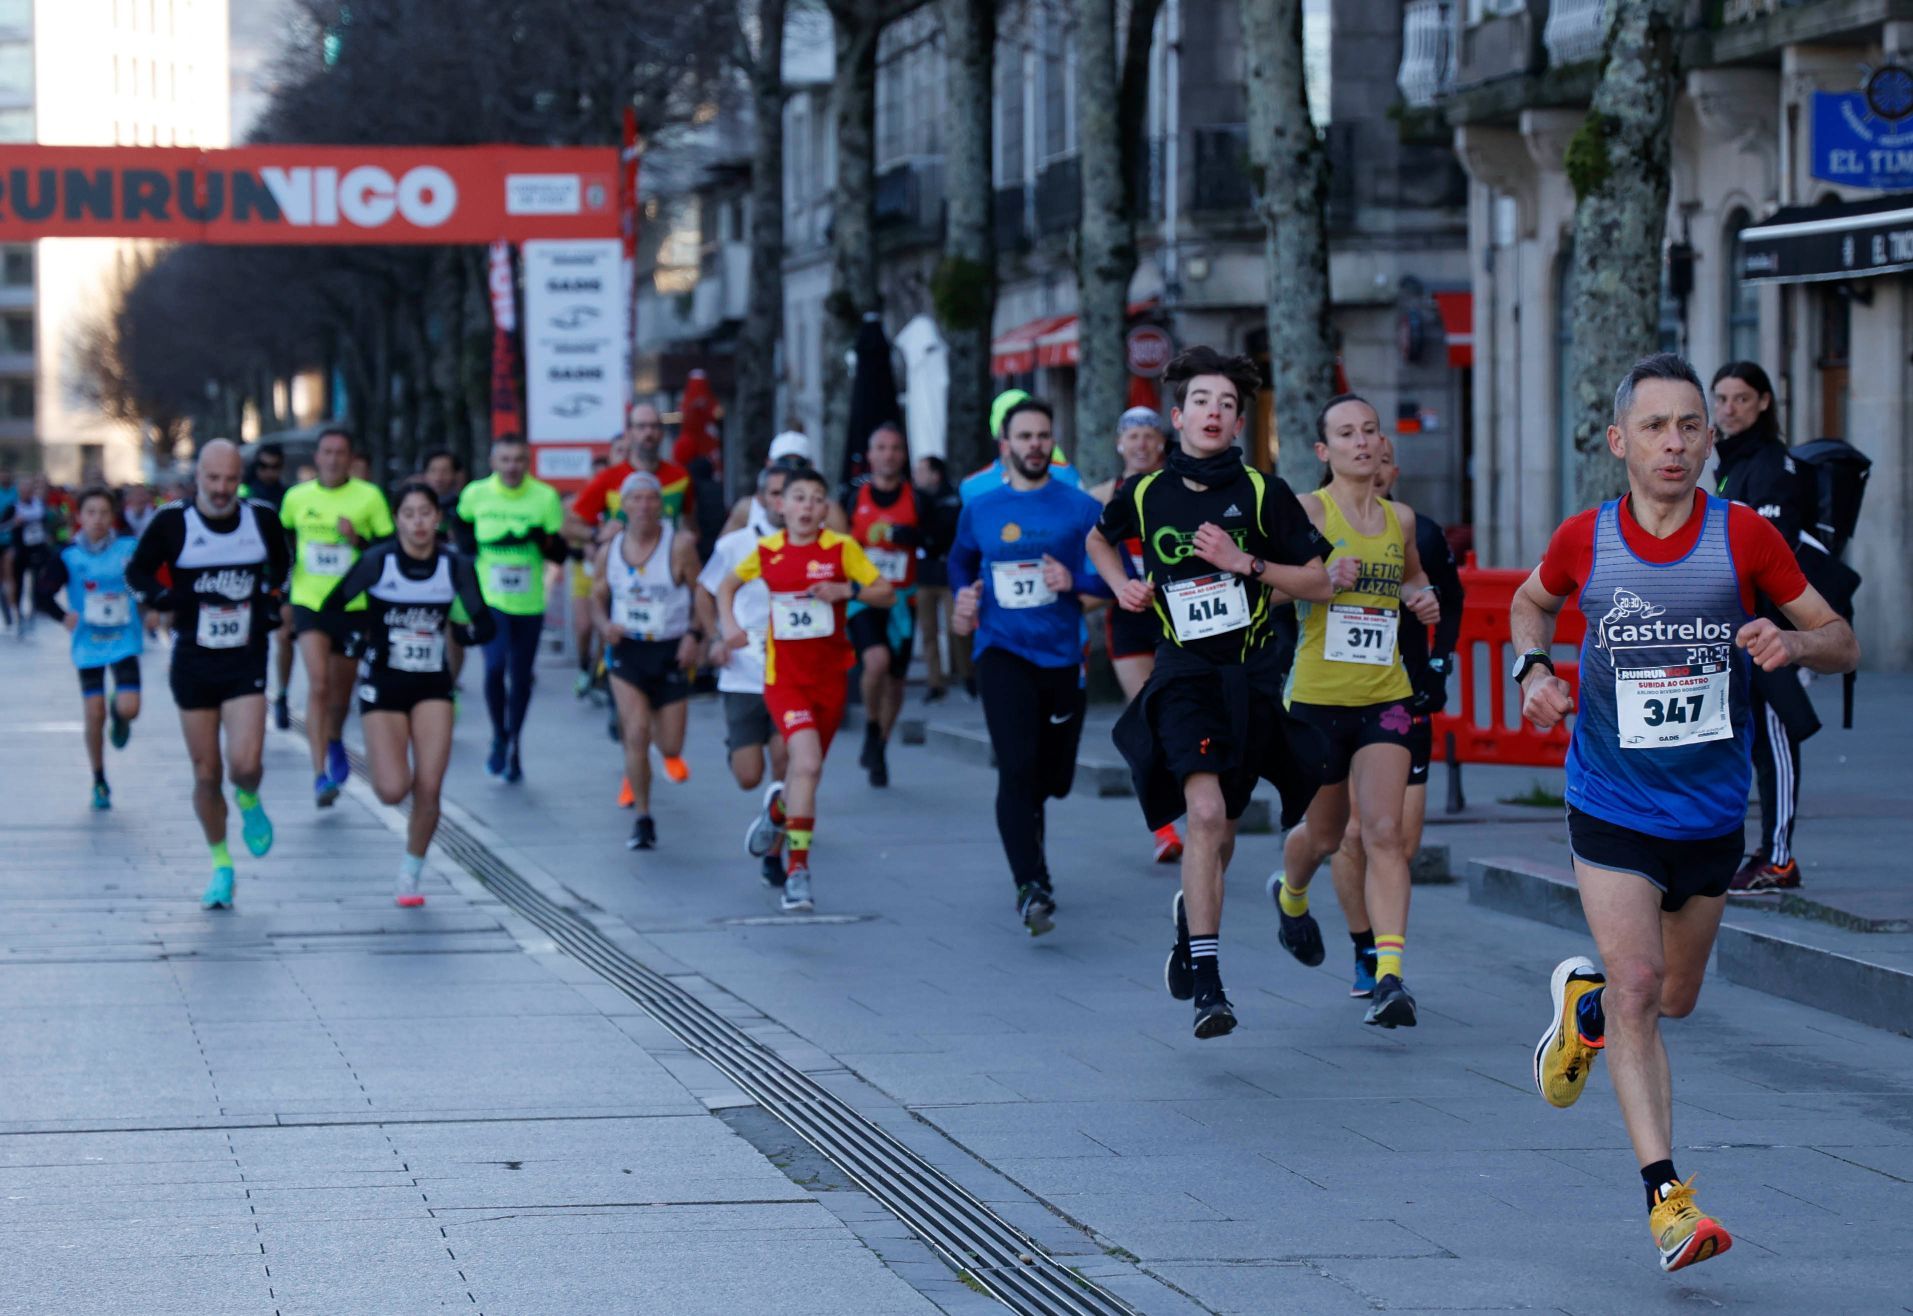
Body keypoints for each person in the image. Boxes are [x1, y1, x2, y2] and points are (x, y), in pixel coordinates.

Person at [1515, 353, 1857, 1273]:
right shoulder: (1585, 538)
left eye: (1690, 426)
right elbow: (1528, 603)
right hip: (1610, 799)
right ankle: (1669, 1200)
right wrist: (1532, 670)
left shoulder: (1743, 536)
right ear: (1620, 440)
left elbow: (1841, 636)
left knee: (1671, 997)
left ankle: (1578, 1005)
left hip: (1709, 810)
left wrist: (1790, 638)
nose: (1674, 443)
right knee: (1637, 987)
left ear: (1711, 439)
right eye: (1656, 427)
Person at [1086, 347, 1333, 1039]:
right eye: (1201, 402)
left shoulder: (1263, 493)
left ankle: (1188, 919)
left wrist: (1243, 562)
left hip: (1250, 677)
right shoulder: (1142, 492)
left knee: (1220, 831)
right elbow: (1098, 541)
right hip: (1182, 673)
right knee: (1200, 815)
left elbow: (1319, 581)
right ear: (1177, 417)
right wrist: (1119, 585)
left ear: (1239, 419)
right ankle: (1208, 984)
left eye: (1227, 404)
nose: (1214, 413)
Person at [1271, 396, 1443, 1029]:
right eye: (1346, 433)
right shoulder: (1309, 511)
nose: (1362, 442)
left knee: (1383, 835)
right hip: (1317, 699)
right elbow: (1267, 579)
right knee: (1321, 837)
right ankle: (1290, 898)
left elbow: (1412, 577)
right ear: (1325, 451)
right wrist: (1320, 578)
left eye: (1369, 430)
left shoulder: (1401, 518)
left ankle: (1390, 977)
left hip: (1385, 698)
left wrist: (1419, 600)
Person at [947, 397, 1106, 936]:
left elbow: (1119, 577)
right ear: (1006, 446)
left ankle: (1031, 845)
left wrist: (1076, 582)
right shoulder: (982, 507)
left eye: (1043, 436)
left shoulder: (1080, 507)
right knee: (1015, 769)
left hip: (1062, 657)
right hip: (1001, 651)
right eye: (1025, 437)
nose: (1035, 445)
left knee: (1053, 779)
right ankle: (1030, 883)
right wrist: (962, 597)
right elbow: (959, 559)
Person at [717, 468, 895, 913]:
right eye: (798, 498)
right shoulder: (767, 551)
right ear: (781, 505)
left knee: (804, 774)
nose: (807, 507)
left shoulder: (841, 548)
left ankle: (777, 814)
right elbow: (726, 586)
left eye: (817, 499)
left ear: (825, 509)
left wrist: (845, 589)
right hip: (785, 682)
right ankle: (798, 871)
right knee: (808, 767)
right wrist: (730, 626)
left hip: (831, 680)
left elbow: (886, 592)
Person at [1326, 437, 1463, 998]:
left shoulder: (1417, 532)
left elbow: (1449, 599)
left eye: (1383, 460)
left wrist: (1436, 664)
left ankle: (1378, 942)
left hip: (1405, 692)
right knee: (1356, 832)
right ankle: (1369, 951)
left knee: (1399, 845)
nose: (1374, 469)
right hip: (1341, 695)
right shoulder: (1319, 524)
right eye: (1364, 456)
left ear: (1395, 470)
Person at [126, 440, 288, 910]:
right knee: (206, 772)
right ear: (198, 476)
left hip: (244, 660)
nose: (221, 490)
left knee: (245, 765)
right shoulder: (173, 523)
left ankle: (250, 799)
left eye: (230, 480)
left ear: (242, 478)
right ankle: (221, 865)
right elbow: (136, 573)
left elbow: (284, 566)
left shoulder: (261, 519)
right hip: (194, 661)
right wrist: (165, 601)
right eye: (212, 479)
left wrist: (273, 602)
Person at [318, 482, 494, 907]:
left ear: (437, 519)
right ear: (397, 520)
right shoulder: (378, 562)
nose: (418, 522)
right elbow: (330, 608)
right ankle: (393, 784)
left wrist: (460, 633)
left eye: (425, 513)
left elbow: (484, 625)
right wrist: (360, 644)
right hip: (384, 684)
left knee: (430, 787)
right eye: (409, 514)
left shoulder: (454, 567)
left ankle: (410, 875)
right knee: (393, 790)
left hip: (433, 685)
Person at [1709, 362, 1819, 895]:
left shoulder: (1773, 465)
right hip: (1739, 631)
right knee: (1754, 745)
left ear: (1765, 403)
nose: (1729, 409)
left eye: (1741, 399)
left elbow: (1772, 557)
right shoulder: (1733, 464)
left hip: (1770, 631)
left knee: (1775, 742)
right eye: (1722, 398)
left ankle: (1779, 859)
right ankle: (1760, 851)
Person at [1088, 405, 1185, 866]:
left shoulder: (1180, 489)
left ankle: (1192, 800)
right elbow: (1082, 560)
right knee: (1147, 715)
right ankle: (1163, 829)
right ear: (1119, 443)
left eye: (1151, 435)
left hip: (1181, 615)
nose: (1142, 444)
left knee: (1177, 714)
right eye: (1134, 437)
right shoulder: (1100, 497)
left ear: (1162, 443)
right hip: (1129, 618)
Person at [280, 427, 394, 807]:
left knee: (341, 694)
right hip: (310, 601)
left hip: (353, 606)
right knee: (318, 685)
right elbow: (284, 548)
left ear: (350, 459)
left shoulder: (369, 497)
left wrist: (357, 541)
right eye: (326, 452)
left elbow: (387, 550)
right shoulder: (296, 498)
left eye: (340, 453)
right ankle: (318, 775)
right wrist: (279, 594)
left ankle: (333, 738)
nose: (332, 459)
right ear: (317, 457)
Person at [592, 471, 701, 850]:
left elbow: (700, 595)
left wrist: (695, 635)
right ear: (623, 506)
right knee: (635, 733)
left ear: (661, 505)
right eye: (635, 499)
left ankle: (655, 751)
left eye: (650, 498)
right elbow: (597, 597)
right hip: (629, 651)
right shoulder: (611, 551)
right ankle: (643, 817)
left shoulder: (680, 546)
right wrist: (605, 624)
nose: (643, 506)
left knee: (670, 745)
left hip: (670, 650)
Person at [697, 464, 793, 888]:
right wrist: (718, 634)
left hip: (791, 675)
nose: (780, 502)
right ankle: (737, 748)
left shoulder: (814, 546)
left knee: (786, 764)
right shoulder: (736, 545)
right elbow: (705, 589)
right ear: (761, 499)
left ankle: (775, 852)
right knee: (749, 776)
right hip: (743, 673)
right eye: (773, 493)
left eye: (786, 494)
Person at [455, 433, 568, 783]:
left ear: (527, 462)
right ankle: (498, 736)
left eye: (519, 459)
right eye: (505, 460)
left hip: (530, 602)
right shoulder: (476, 494)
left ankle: (514, 740)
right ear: (493, 463)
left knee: (520, 677)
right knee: (494, 667)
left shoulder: (544, 497)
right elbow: (460, 530)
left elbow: (558, 552)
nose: (512, 467)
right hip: (492, 600)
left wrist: (541, 540)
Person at [37, 486, 143, 810]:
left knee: (129, 708)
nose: (97, 520)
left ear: (113, 517)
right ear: (79, 517)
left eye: (104, 513)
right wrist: (62, 616)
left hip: (124, 639)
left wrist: (155, 610)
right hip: (89, 644)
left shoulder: (129, 548)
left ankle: (119, 715)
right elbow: (42, 593)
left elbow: (150, 580)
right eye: (91, 513)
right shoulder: (68, 555)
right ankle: (99, 779)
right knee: (92, 714)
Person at [829, 423, 922, 787]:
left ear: (903, 455)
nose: (888, 455)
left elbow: (935, 537)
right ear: (869, 455)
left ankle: (880, 743)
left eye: (895, 448)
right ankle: (870, 723)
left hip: (903, 599)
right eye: (881, 447)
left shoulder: (916, 498)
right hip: (865, 597)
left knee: (896, 682)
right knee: (876, 660)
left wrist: (910, 536)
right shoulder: (853, 498)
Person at [912, 455, 966, 703]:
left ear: (935, 474)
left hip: (948, 573)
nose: (917, 475)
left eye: (922, 470)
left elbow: (947, 533)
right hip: (925, 574)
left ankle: (968, 674)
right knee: (928, 631)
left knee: (958, 628)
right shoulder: (914, 499)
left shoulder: (952, 498)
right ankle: (935, 682)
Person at [960, 389, 1082, 499]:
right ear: (1000, 432)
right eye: (1024, 435)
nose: (1034, 443)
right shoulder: (973, 486)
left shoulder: (1065, 474)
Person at [419, 448, 468, 684]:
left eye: (445, 471)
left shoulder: (466, 505)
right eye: (434, 471)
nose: (439, 477)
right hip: (421, 576)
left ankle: (451, 683)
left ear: (456, 476)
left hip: (455, 576)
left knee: (454, 632)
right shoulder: (414, 505)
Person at [8, 473, 54, 633]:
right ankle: (19, 614)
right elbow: (4, 525)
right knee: (19, 583)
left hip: (37, 550)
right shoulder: (13, 507)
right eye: (23, 489)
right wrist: (14, 523)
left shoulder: (40, 505)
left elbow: (50, 521)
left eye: (28, 489)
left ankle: (33, 612)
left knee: (36, 583)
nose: (26, 492)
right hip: (21, 550)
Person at [0, 465, 16, 628]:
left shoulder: (15, 493)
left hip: (10, 541)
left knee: (9, 575)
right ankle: (6, 611)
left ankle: (13, 609)